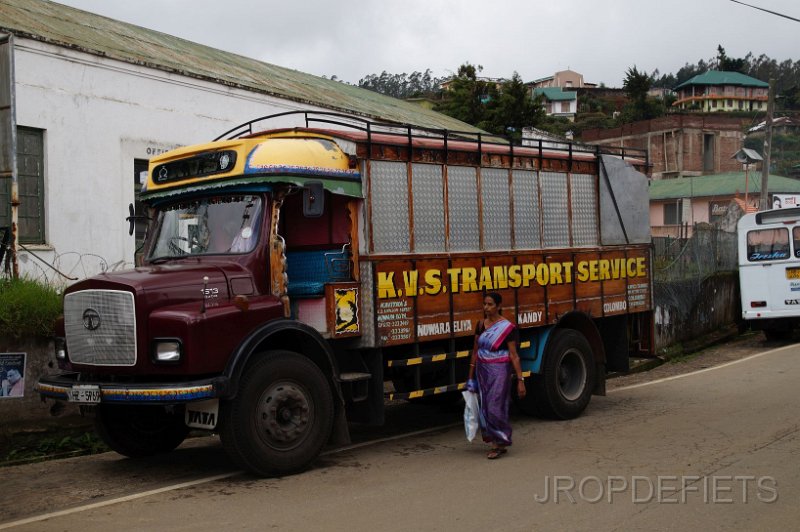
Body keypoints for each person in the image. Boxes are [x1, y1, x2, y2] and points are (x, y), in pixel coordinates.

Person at [466, 292, 526, 459]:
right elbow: (475, 351)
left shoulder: (507, 328)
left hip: (500, 371)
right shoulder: (480, 325)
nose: (486, 307)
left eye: (490, 304)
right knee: (485, 406)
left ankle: (498, 443)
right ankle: (497, 441)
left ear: (499, 306)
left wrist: (520, 380)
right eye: (484, 304)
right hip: (482, 370)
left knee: (495, 405)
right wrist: (470, 376)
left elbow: (514, 355)